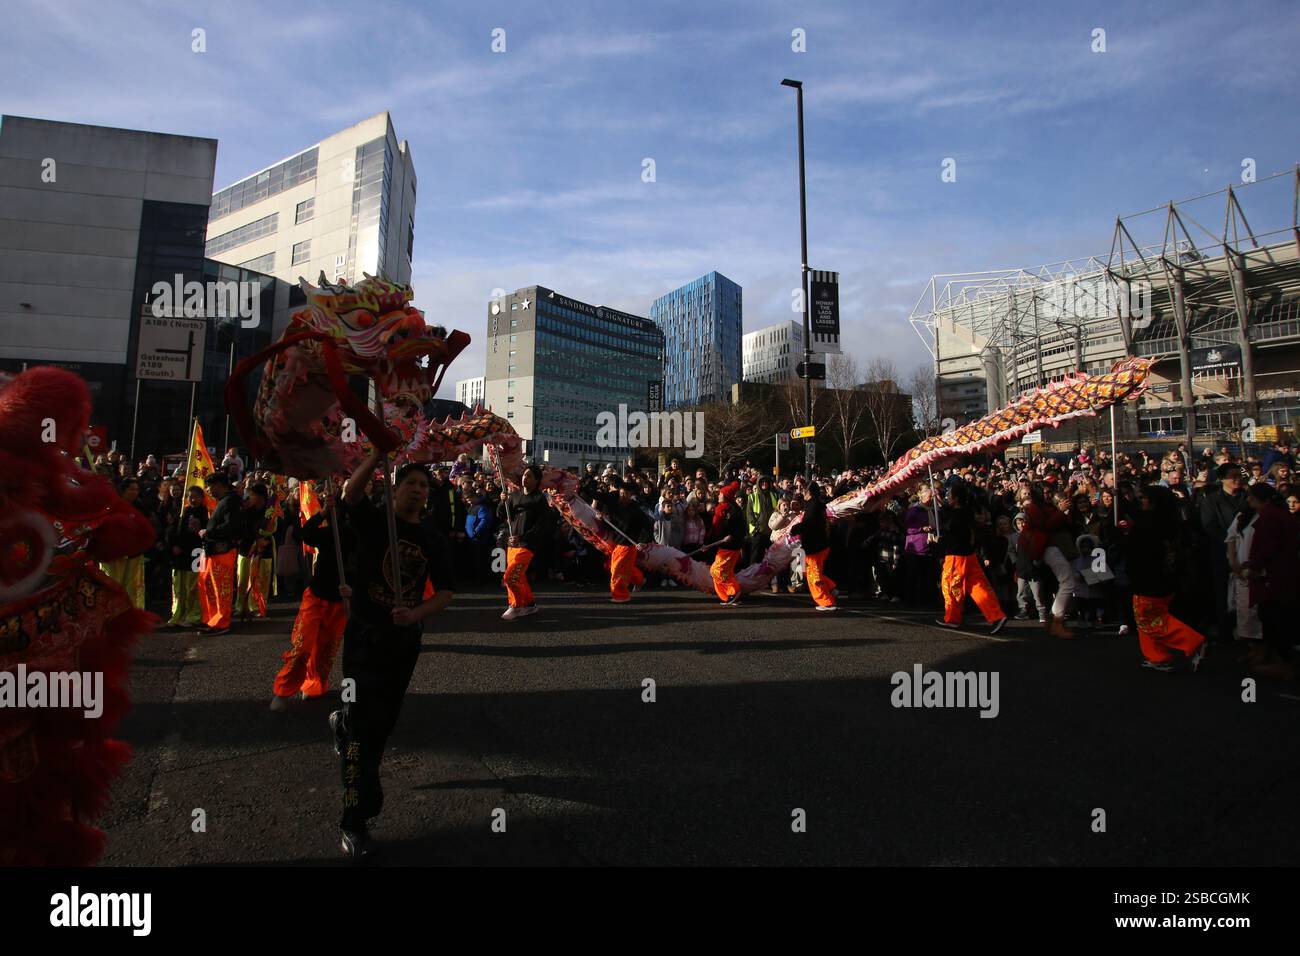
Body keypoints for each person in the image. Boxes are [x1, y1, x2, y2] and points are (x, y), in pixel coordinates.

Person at [330, 451, 455, 861]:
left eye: (424, 485)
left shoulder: (432, 538)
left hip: (402, 644)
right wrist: (376, 455)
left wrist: (414, 614)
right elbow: (351, 492)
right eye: (411, 483)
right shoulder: (375, 521)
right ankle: (354, 819)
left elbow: (447, 592)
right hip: (364, 637)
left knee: (380, 726)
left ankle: (343, 727)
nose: (418, 490)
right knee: (361, 734)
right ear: (395, 487)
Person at [272, 485, 348, 710]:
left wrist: (353, 590)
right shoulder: (327, 534)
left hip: (340, 602)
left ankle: (314, 685)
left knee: (325, 650)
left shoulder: (359, 536)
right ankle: (284, 690)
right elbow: (304, 534)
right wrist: (323, 512)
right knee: (302, 645)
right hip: (316, 597)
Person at [1127, 485, 1206, 672]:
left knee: (1149, 620)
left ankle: (1193, 641)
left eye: (1144, 498)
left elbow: (1137, 552)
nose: (1141, 502)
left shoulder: (1147, 524)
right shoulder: (1171, 522)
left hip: (1148, 577)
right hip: (1166, 575)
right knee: (1150, 618)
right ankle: (1157, 656)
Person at [1244, 482, 1299, 679]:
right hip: (1281, 573)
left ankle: (1284, 662)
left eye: (1251, 496)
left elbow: (1268, 546)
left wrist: (1255, 566)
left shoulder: (1271, 516)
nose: (1248, 499)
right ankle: (1276, 657)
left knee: (1275, 617)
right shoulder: (1277, 514)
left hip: (1276, 576)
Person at [935, 482, 1007, 632]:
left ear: (955, 498)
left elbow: (952, 533)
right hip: (969, 554)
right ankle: (996, 615)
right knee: (978, 586)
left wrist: (940, 539)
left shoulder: (957, 515)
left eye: (950, 496)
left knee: (951, 586)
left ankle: (953, 617)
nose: (948, 498)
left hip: (956, 555)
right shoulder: (968, 511)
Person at [499, 464, 549, 621]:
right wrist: (503, 502)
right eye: (524, 475)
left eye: (529, 476)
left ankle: (515, 605)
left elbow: (542, 526)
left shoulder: (539, 499)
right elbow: (502, 514)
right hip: (512, 543)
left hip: (527, 545)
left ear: (536, 480)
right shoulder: (515, 495)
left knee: (510, 576)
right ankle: (528, 604)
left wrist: (523, 537)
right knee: (519, 577)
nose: (525, 478)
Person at [198, 472, 241, 634]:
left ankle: (222, 622)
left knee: (221, 589)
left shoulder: (231, 501)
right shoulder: (224, 501)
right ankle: (211, 619)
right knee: (208, 585)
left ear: (219, 485)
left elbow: (231, 527)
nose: (208, 490)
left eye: (210, 486)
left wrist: (208, 533)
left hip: (223, 551)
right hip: (213, 550)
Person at [600, 480, 653, 602]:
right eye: (621, 493)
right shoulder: (618, 507)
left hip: (629, 545)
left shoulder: (636, 510)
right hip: (618, 543)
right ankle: (639, 579)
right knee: (615, 568)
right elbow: (613, 524)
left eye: (625, 493)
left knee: (619, 571)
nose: (622, 496)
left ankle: (621, 595)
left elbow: (647, 527)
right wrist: (604, 518)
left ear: (630, 494)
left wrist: (642, 541)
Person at [166, 485, 208, 628]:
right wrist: (174, 545)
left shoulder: (206, 513)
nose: (193, 500)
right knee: (179, 587)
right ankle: (177, 614)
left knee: (194, 586)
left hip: (197, 552)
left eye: (196, 497)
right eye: (191, 497)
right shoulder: (183, 511)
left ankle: (194, 614)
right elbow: (172, 531)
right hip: (181, 555)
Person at [236, 483, 277, 620]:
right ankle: (241, 606)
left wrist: (264, 537)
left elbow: (274, 527)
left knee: (262, 580)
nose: (250, 497)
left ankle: (258, 607)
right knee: (243, 579)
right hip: (247, 549)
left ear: (260, 496)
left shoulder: (270, 509)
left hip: (264, 548)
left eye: (252, 494)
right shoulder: (246, 509)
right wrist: (255, 539)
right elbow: (243, 529)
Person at [707, 480, 747, 606]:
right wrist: (707, 543)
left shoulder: (734, 511)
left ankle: (733, 592)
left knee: (717, 570)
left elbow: (742, 530)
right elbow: (716, 530)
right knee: (725, 571)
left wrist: (732, 536)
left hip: (731, 547)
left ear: (725, 496)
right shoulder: (721, 510)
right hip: (723, 546)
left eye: (720, 494)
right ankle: (728, 596)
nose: (718, 496)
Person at [798, 483, 836, 611]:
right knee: (807, 571)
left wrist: (795, 528)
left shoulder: (813, 506)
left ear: (808, 492)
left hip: (815, 547)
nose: (802, 492)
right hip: (818, 545)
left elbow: (809, 524)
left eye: (804, 490)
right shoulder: (816, 504)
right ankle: (830, 587)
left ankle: (826, 601)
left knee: (814, 576)